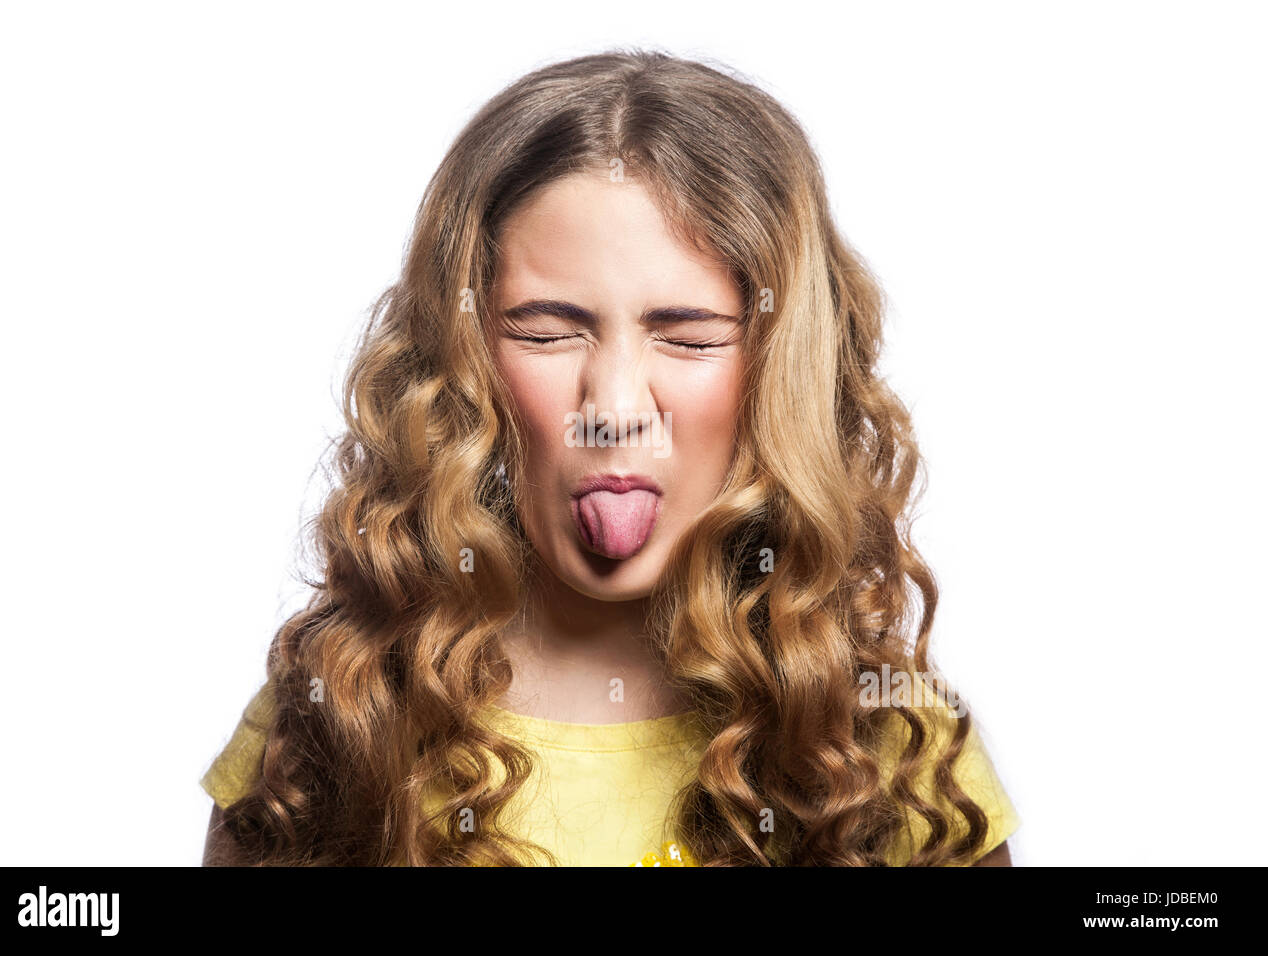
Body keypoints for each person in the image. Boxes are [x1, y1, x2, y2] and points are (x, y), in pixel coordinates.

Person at [201, 49, 1020, 866]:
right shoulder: (335, 720)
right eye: (547, 332)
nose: (615, 411)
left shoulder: (893, 749)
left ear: (779, 368)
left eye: (689, 336)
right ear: (467, 357)